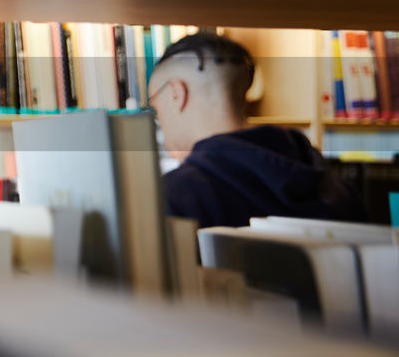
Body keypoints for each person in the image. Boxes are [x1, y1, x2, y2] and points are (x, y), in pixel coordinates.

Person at [148, 32, 365, 229]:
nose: (161, 125)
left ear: (177, 94)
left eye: (156, 109)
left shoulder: (174, 197)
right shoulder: (341, 190)